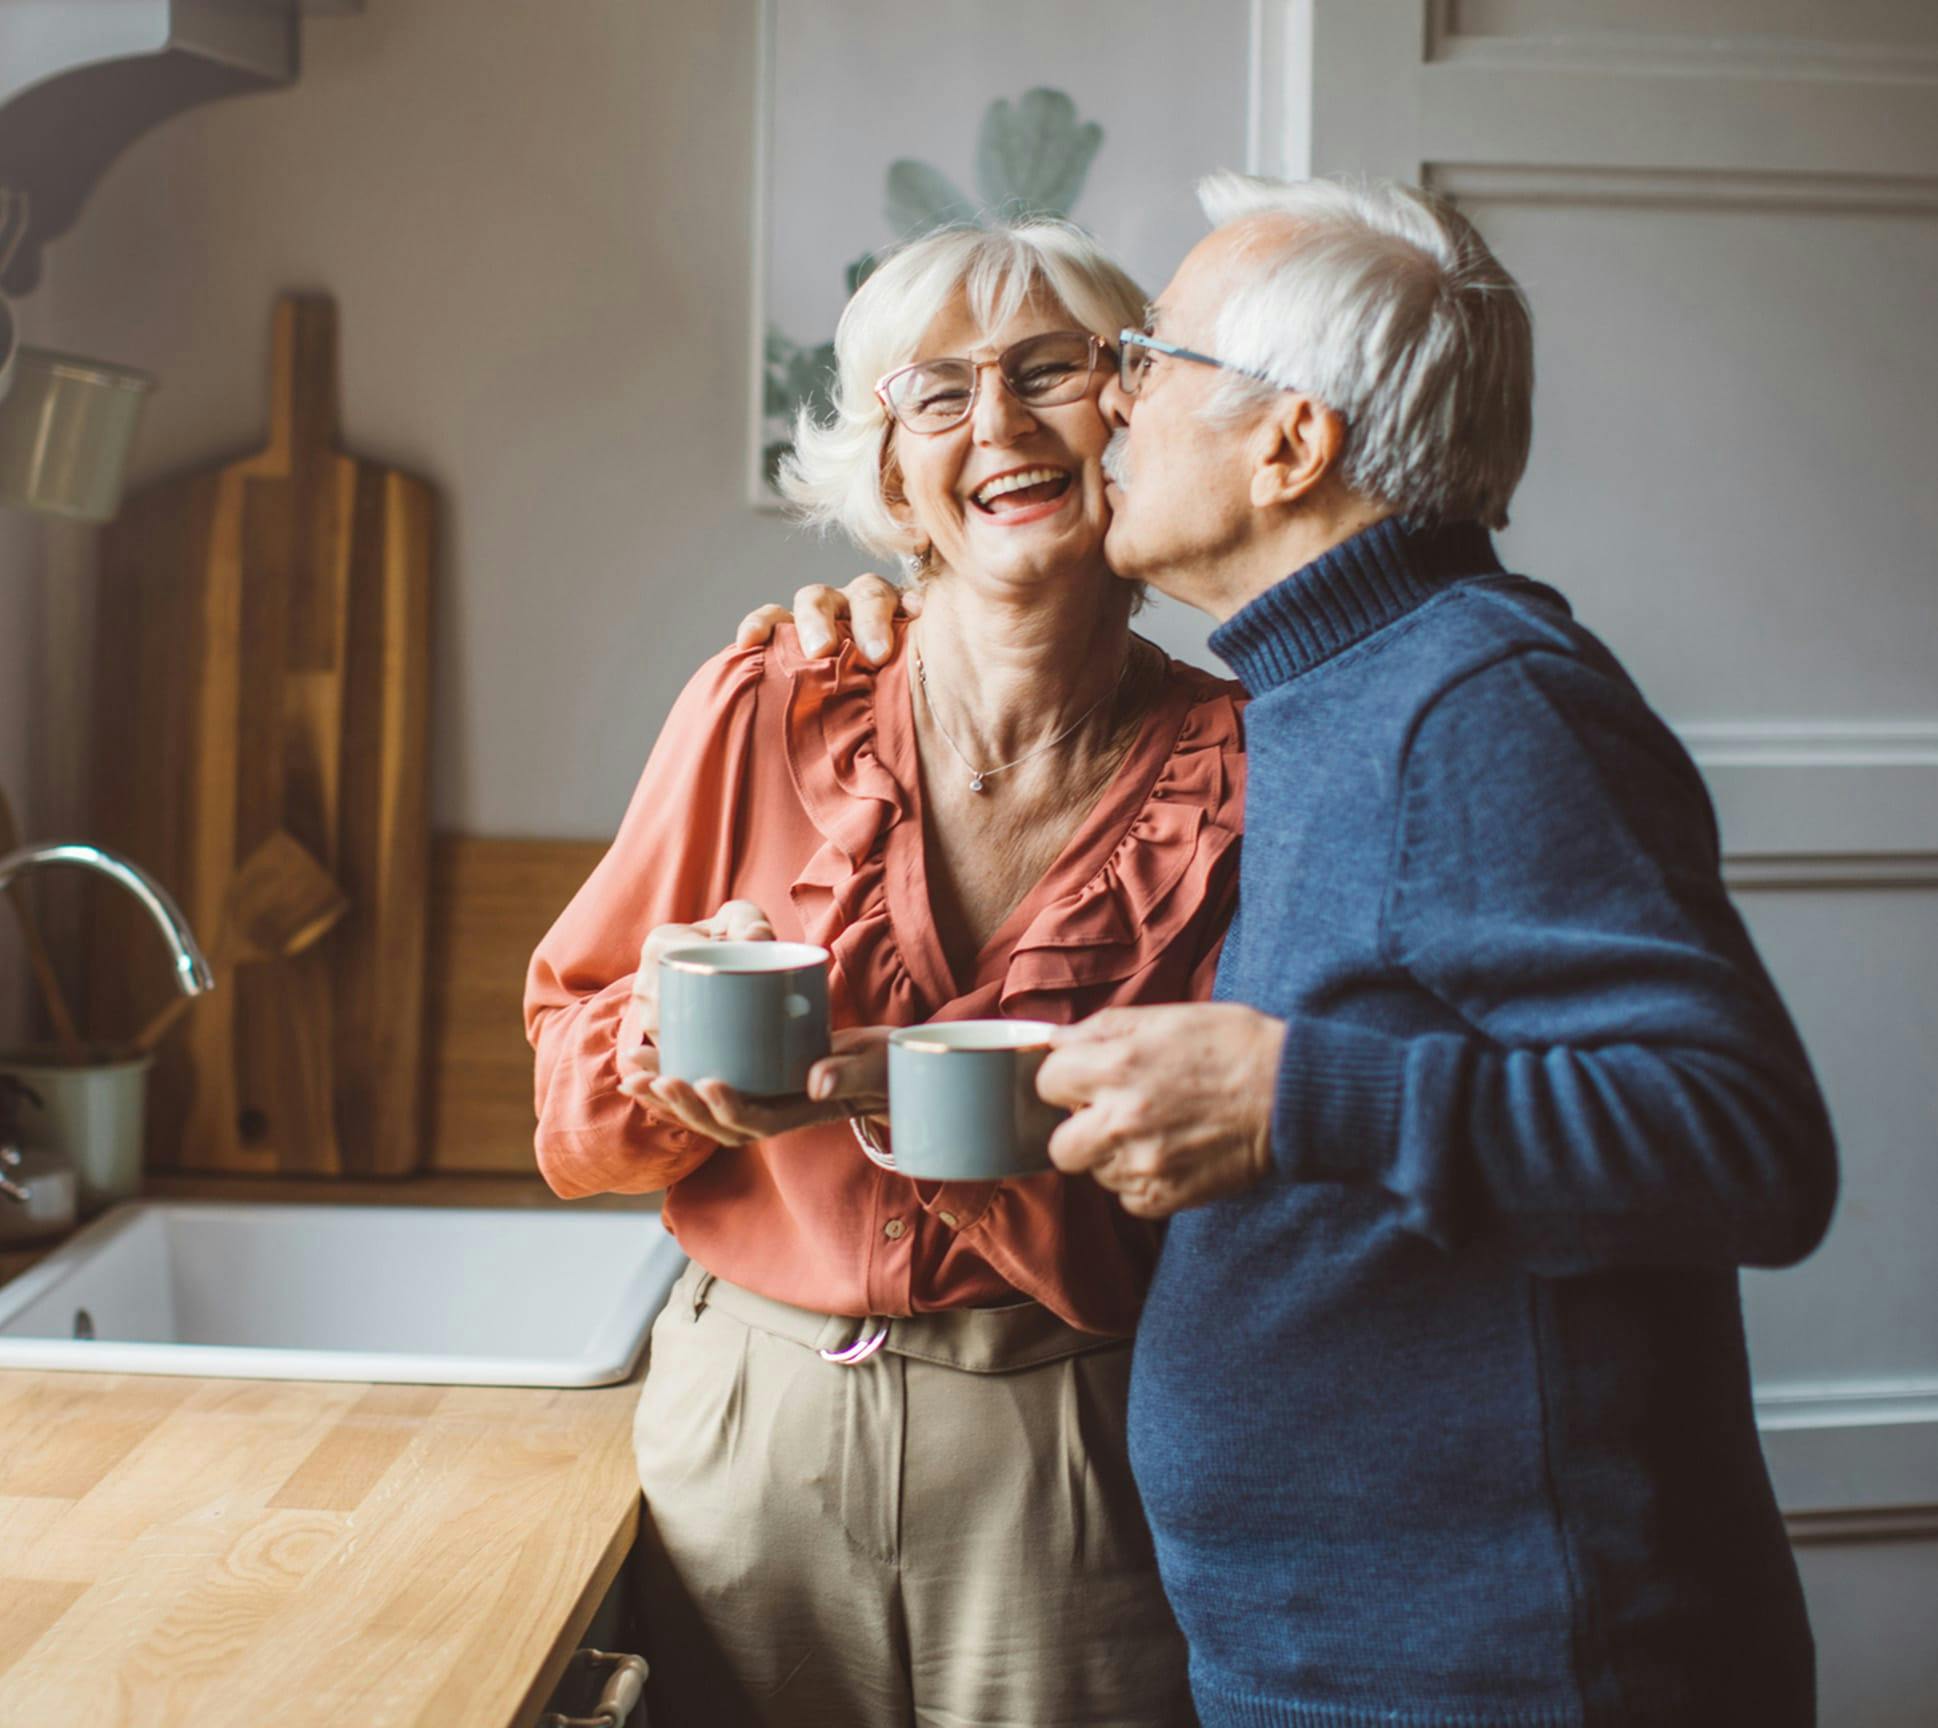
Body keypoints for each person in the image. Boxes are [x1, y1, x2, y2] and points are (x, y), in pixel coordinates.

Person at [751, 174, 1839, 1728]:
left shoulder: (1478, 701)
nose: (1110, 404)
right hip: (1358, 1648)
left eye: (1150, 362)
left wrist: (1291, 1101)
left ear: (1289, 441)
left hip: (1500, 1668)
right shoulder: (1332, 692)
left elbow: (1745, 1145)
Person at [524, 217, 1245, 1728]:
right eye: (936, 393)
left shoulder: (1243, 771)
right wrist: (658, 1053)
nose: (996, 423)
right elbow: (566, 1108)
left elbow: (1268, 1169)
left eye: (1049, 369)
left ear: (1129, 414)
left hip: (1076, 1432)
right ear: (893, 474)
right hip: (752, 1427)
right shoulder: (766, 698)